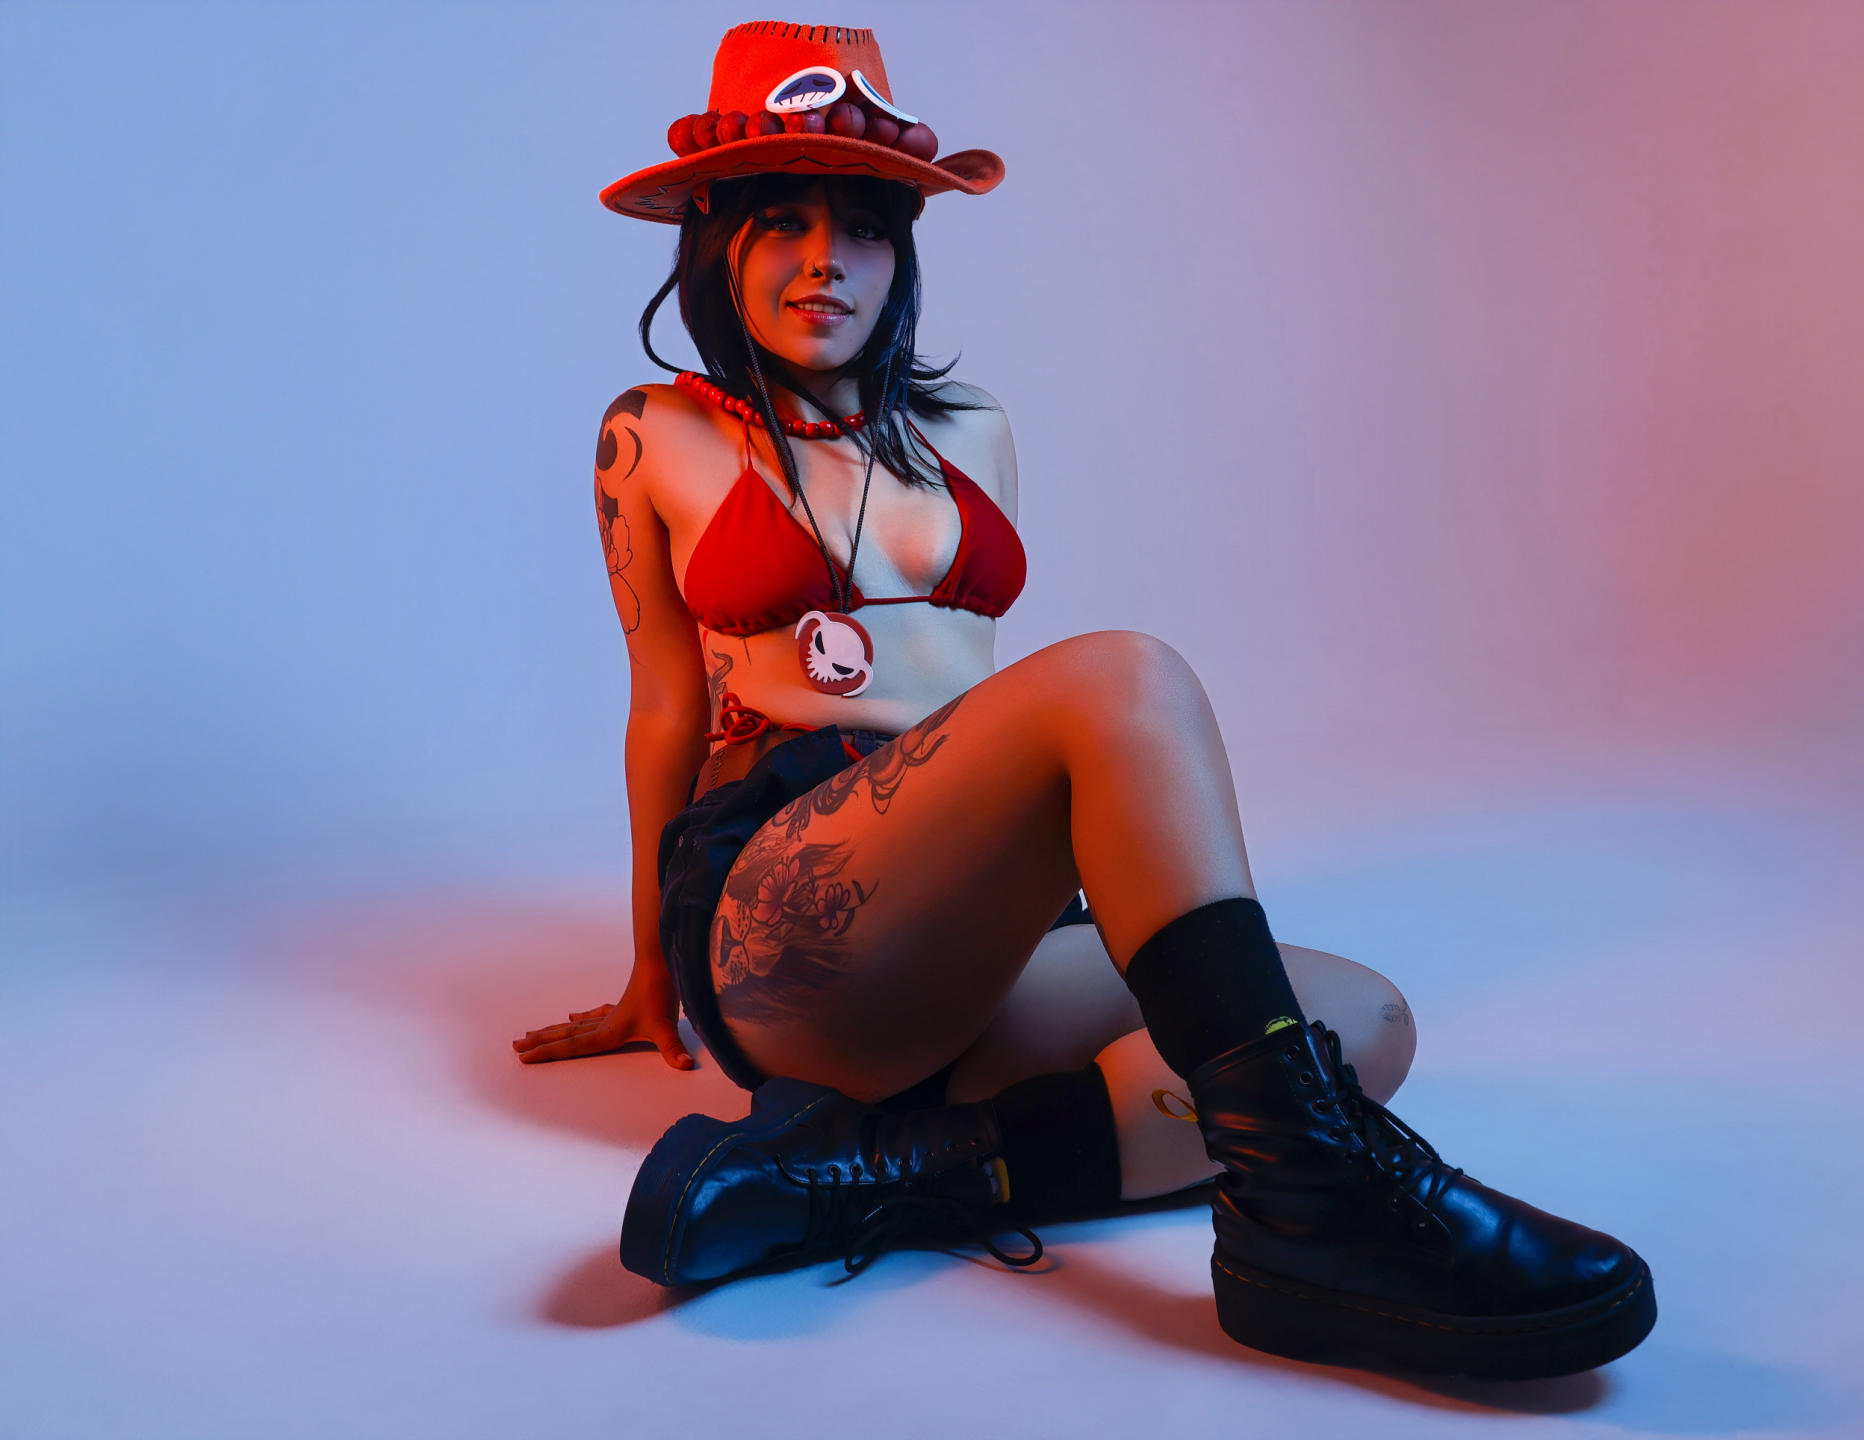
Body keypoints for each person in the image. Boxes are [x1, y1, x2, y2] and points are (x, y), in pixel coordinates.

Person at [514, 21, 1655, 1380]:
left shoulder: (971, 428)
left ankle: (863, 1175)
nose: (827, 262)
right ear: (717, 243)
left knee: (1359, 1024)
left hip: (962, 919)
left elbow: (981, 715)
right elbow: (663, 708)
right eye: (784, 224)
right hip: (789, 916)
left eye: (865, 230)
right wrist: (649, 972)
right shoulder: (656, 432)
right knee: (1123, 675)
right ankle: (1310, 1211)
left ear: (903, 257)